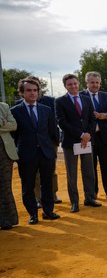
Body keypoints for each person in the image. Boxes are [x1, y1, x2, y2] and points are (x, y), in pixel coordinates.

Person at [11, 78, 60, 223]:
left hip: (46, 153)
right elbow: (14, 135)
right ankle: (33, 214)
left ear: (38, 92)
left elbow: (53, 131)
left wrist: (52, 149)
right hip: (26, 154)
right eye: (28, 90)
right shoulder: (15, 111)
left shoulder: (47, 110)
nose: (32, 93)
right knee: (28, 185)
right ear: (22, 93)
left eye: (35, 90)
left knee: (47, 184)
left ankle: (48, 211)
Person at [55, 74, 102, 213]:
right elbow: (62, 122)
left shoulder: (86, 99)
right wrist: (81, 135)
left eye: (75, 83)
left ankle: (90, 198)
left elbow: (92, 119)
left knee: (89, 171)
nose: (73, 86)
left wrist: (87, 135)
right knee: (72, 174)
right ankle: (74, 202)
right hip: (71, 143)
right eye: (70, 84)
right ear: (65, 86)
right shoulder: (60, 101)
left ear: (78, 83)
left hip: (86, 142)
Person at [81, 71, 107, 200]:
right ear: (87, 83)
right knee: (90, 167)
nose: (95, 85)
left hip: (104, 136)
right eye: (92, 82)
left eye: (97, 82)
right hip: (87, 138)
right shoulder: (80, 96)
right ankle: (93, 192)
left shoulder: (106, 96)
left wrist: (105, 115)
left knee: (106, 165)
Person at [0, 101, 19, 229]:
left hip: (5, 153)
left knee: (5, 187)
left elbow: (13, 125)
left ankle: (8, 219)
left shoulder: (4, 106)